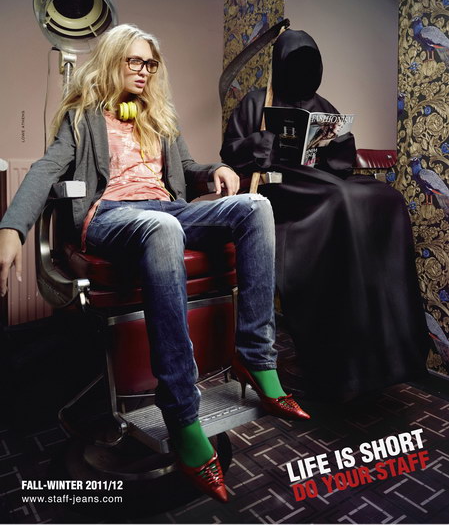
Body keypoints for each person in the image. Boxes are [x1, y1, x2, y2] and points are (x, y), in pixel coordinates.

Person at [0, 24, 310, 503]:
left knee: (256, 207)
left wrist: (217, 169)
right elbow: (46, 169)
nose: (144, 71)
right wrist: (11, 229)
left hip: (167, 208)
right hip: (111, 216)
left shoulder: (160, 117)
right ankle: (182, 411)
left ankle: (256, 358)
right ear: (111, 61)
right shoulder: (83, 116)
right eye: (134, 61)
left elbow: (188, 170)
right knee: (163, 227)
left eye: (150, 63)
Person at [221, 28, 429, 402]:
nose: (301, 72)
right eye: (294, 64)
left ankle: (390, 345)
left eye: (309, 65)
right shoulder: (256, 103)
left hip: (320, 181)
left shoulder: (322, 105)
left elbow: (341, 163)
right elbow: (230, 152)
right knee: (344, 199)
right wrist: (259, 142)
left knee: (388, 199)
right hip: (282, 189)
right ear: (280, 65)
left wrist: (336, 142)